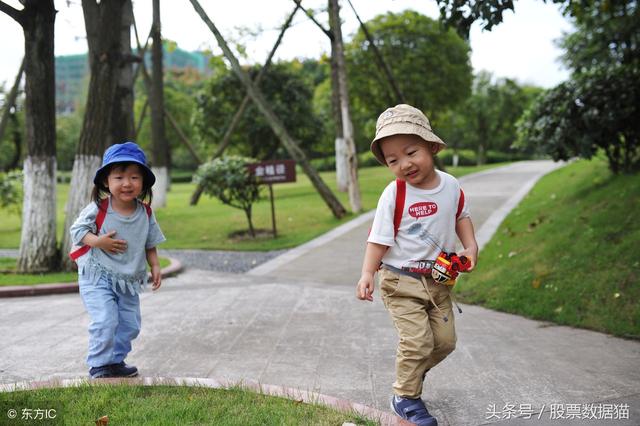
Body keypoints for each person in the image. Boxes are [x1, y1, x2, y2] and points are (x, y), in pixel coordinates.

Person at [356, 104, 478, 426]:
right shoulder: (393, 194)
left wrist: (470, 246)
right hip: (400, 281)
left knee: (445, 343)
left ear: (432, 146)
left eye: (411, 152)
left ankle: (409, 378)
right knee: (418, 342)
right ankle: (406, 398)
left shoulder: (450, 186)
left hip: (440, 280)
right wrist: (368, 273)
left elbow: (461, 216)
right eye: (393, 160)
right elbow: (378, 238)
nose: (404, 164)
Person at [69, 141, 166, 379]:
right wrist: (98, 241)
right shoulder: (98, 208)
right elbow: (77, 232)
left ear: (143, 182)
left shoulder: (146, 212)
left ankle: (115, 361)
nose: (126, 183)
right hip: (97, 274)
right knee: (105, 318)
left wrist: (154, 265)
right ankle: (99, 365)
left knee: (130, 324)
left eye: (134, 177)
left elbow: (149, 242)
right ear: (106, 181)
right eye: (119, 177)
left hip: (128, 279)